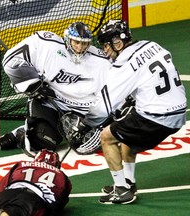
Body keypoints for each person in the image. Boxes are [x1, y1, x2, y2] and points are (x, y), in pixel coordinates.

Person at [78, 19, 187, 204]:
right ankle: (128, 182)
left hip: (156, 116)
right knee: (125, 135)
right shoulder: (152, 45)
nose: (105, 50)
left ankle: (121, 190)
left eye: (106, 45)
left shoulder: (124, 62)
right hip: (178, 111)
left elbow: (104, 106)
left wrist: (85, 124)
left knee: (106, 136)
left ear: (118, 42)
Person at [0, 21, 112, 155]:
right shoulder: (47, 46)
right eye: (76, 42)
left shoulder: (101, 61)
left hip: (82, 111)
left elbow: (113, 93)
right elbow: (10, 60)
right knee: (41, 143)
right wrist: (31, 83)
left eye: (84, 43)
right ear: (68, 39)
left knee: (102, 139)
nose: (80, 47)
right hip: (50, 102)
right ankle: (21, 134)